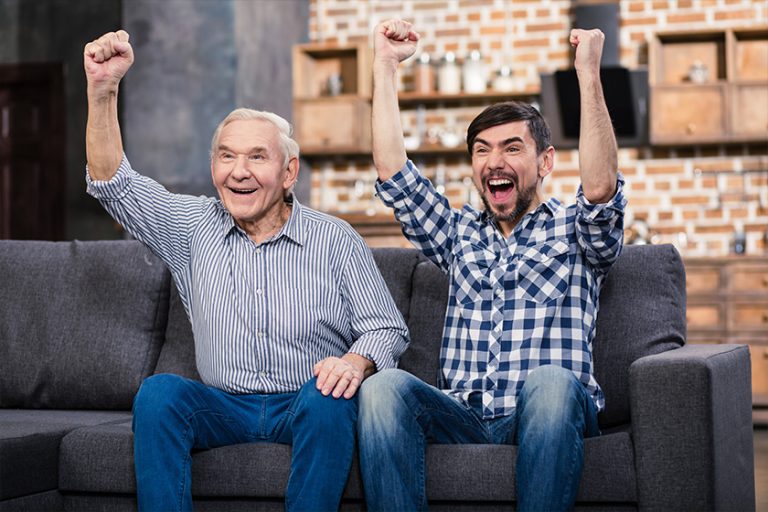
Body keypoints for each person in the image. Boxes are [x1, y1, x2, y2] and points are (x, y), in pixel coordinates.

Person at [83, 30, 409, 512]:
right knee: (159, 394)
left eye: (257, 157)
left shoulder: (334, 238)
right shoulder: (192, 227)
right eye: (227, 156)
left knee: (330, 399)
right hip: (222, 405)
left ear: (289, 172)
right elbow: (117, 186)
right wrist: (103, 90)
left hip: (305, 401)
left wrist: (354, 363)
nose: (239, 171)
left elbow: (386, 328)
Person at [359, 19, 627, 512]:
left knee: (548, 383)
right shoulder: (458, 234)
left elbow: (600, 190)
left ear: (545, 162)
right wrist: (385, 65)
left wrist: (588, 74)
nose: (493, 161)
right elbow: (393, 172)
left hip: (545, 412)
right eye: (482, 151)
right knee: (383, 388)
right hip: (462, 414)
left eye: (511, 148)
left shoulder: (575, 230)